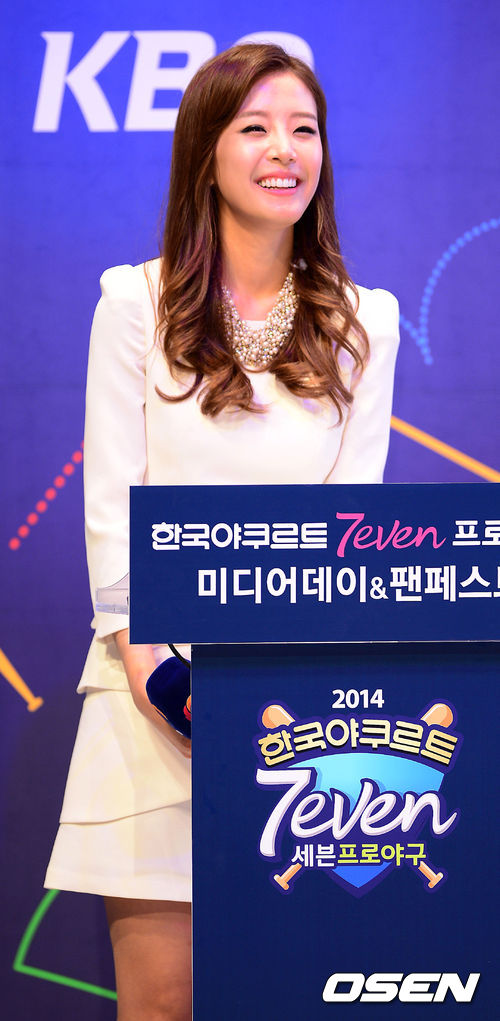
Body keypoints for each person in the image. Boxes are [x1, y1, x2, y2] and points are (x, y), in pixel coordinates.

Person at [45, 43, 399, 1021]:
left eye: (304, 129)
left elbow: (351, 533)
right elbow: (114, 506)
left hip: (303, 715)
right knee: (163, 1000)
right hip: (151, 691)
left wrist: (302, 701)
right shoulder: (136, 303)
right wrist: (156, 672)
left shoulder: (363, 323)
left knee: (289, 995)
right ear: (205, 153)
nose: (285, 149)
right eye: (255, 128)